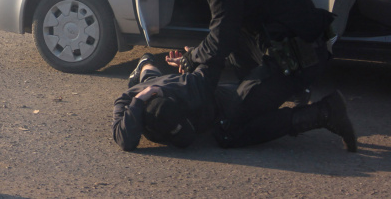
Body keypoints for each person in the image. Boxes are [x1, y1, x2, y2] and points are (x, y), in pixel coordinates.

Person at [167, 0, 357, 151]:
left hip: (294, 63)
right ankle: (257, 100)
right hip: (307, 53)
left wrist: (193, 57)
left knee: (226, 130)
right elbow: (226, 36)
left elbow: (219, 42)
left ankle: (324, 113)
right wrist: (200, 54)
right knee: (233, 39)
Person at [113, 53, 357, 151]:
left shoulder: (188, 90)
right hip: (158, 86)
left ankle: (324, 113)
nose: (183, 131)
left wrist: (192, 59)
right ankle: (146, 62)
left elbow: (209, 69)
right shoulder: (128, 102)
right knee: (152, 78)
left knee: (231, 133)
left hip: (223, 100)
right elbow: (125, 140)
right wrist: (140, 100)